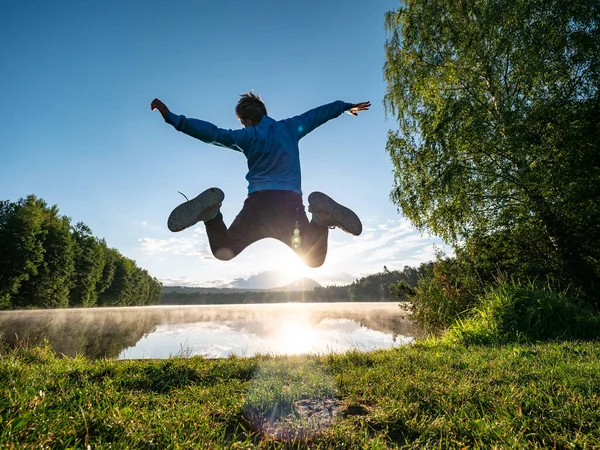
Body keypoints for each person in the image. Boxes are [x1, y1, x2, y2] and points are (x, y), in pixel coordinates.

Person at [151, 93, 370, 268]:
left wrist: (174, 119)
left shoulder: (248, 135)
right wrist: (344, 106)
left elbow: (213, 134)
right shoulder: (290, 127)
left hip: (258, 205)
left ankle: (212, 215)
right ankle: (321, 219)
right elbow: (317, 114)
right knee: (313, 259)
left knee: (223, 250)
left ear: (246, 121)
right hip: (289, 205)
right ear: (264, 113)